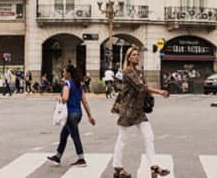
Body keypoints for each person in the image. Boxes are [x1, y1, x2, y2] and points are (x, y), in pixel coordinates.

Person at [111, 47, 171, 178]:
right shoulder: (128, 71)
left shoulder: (138, 71)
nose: (137, 57)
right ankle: (118, 167)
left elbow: (143, 89)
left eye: (138, 54)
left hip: (138, 110)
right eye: (134, 55)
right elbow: (141, 87)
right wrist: (160, 92)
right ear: (129, 58)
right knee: (122, 139)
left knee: (149, 136)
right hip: (127, 110)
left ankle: (154, 166)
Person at [47, 64, 97, 167]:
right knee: (64, 135)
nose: (63, 73)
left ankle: (81, 158)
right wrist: (90, 116)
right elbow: (85, 102)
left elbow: (65, 98)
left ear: (68, 74)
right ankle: (57, 157)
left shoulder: (67, 84)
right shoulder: (78, 85)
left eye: (64, 71)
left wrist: (59, 98)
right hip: (78, 114)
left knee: (75, 136)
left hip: (70, 115)